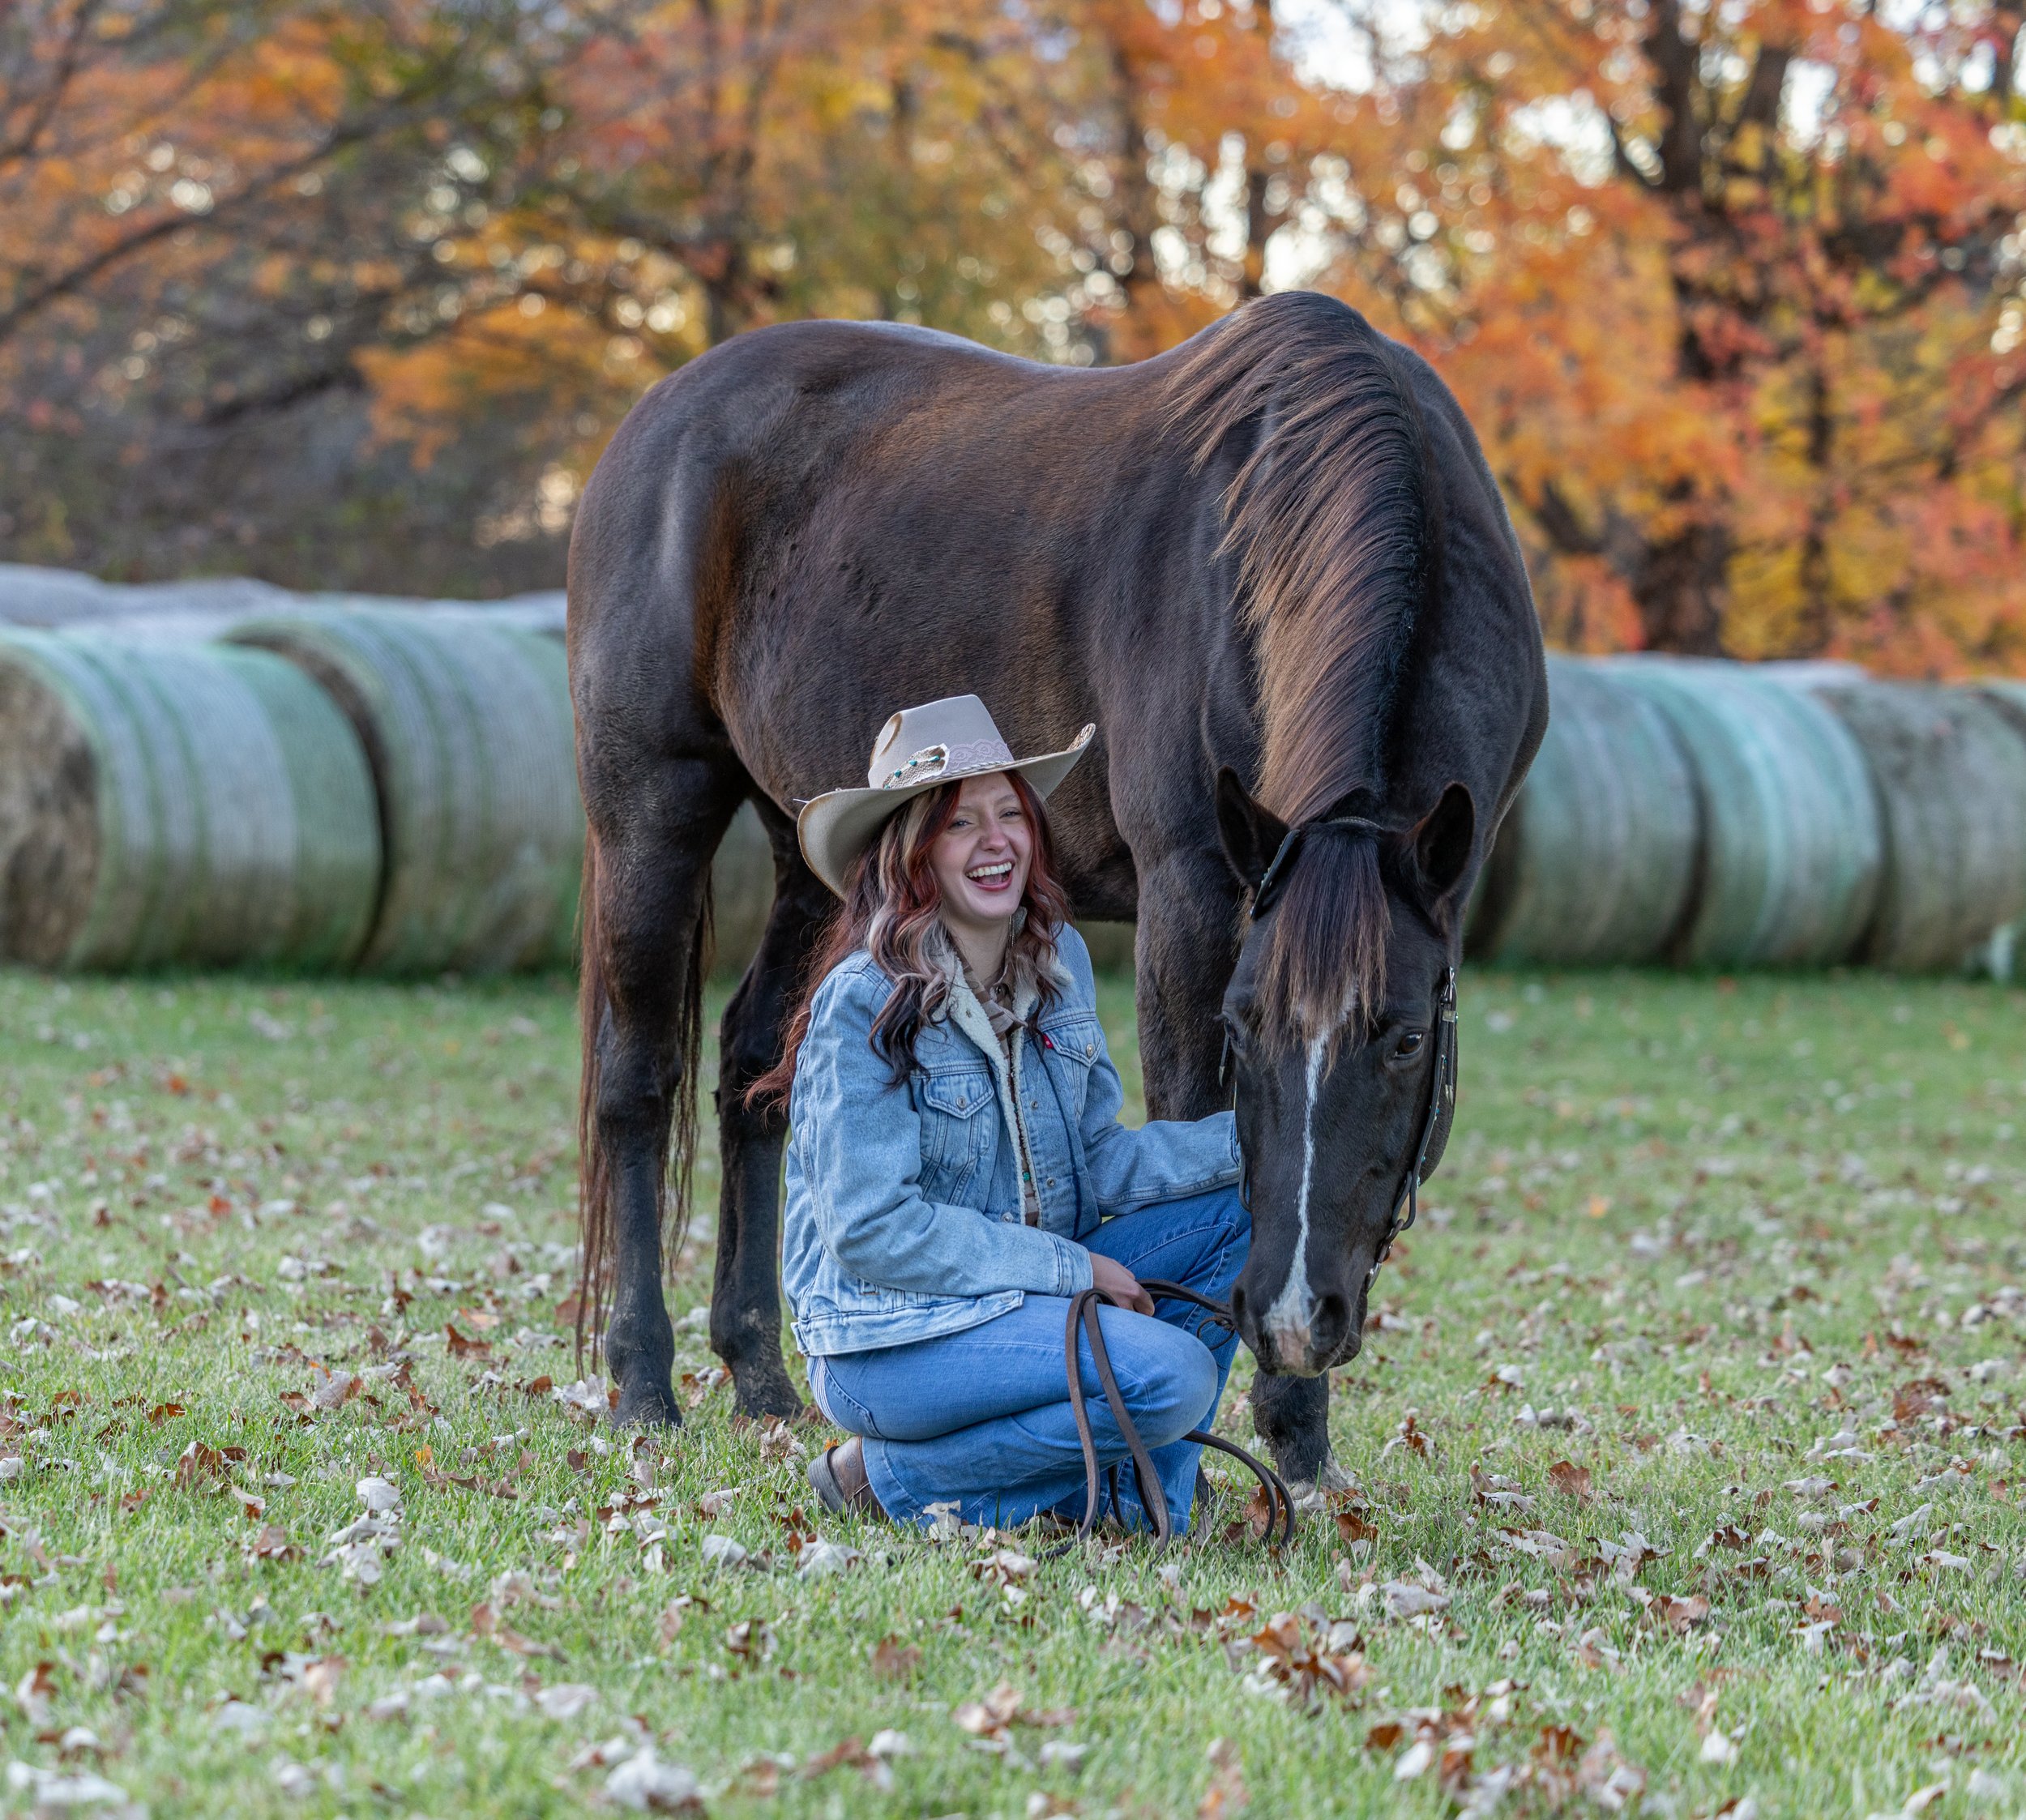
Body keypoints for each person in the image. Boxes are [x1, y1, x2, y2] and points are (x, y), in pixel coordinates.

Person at [753, 693, 1249, 1534]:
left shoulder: (1058, 963)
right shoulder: (863, 1003)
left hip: (1019, 1297)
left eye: (1009, 814)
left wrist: (1272, 1137)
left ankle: (1133, 1503)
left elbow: (1100, 1159)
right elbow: (873, 1231)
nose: (995, 843)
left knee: (1249, 1201)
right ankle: (892, 1476)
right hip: (889, 1334)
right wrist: (1071, 1269)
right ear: (911, 853)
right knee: (1172, 1376)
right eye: (959, 823)